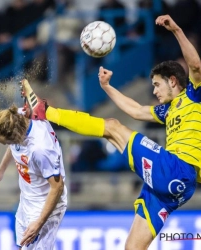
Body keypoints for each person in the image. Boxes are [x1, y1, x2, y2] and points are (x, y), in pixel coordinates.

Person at [19, 14, 201, 250]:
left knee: (113, 126)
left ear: (173, 81)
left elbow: (196, 66)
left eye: (157, 84)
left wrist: (176, 29)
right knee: (132, 248)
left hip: (177, 168)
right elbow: (135, 110)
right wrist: (107, 87)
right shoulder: (167, 110)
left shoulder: (193, 97)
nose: (154, 91)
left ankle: (47, 113)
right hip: (175, 187)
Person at [0, 105, 67, 249]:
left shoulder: (40, 149)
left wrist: (39, 222)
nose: (7, 145)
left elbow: (58, 187)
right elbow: (14, 146)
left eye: (6, 141)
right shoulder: (18, 117)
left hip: (44, 206)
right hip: (27, 200)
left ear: (14, 135)